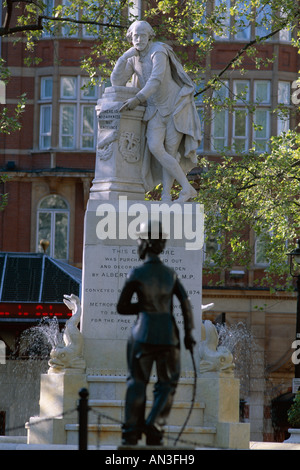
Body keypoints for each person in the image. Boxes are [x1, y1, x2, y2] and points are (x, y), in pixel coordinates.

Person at [116, 219, 196, 446]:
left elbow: (121, 307)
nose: (138, 244)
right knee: (167, 384)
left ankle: (131, 432)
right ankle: (154, 425)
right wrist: (189, 333)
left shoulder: (136, 273)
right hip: (168, 336)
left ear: (146, 243)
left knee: (136, 383)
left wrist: (143, 307)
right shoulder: (170, 275)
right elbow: (185, 303)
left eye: (140, 240)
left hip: (142, 334)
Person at [110, 20, 201, 203]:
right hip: (155, 109)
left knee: (169, 150)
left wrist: (137, 100)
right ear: (131, 37)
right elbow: (116, 81)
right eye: (135, 36)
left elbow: (156, 80)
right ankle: (187, 188)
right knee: (155, 147)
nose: (139, 39)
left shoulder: (158, 51)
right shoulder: (134, 57)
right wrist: (125, 56)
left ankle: (167, 196)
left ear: (150, 36)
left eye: (143, 35)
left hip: (175, 106)